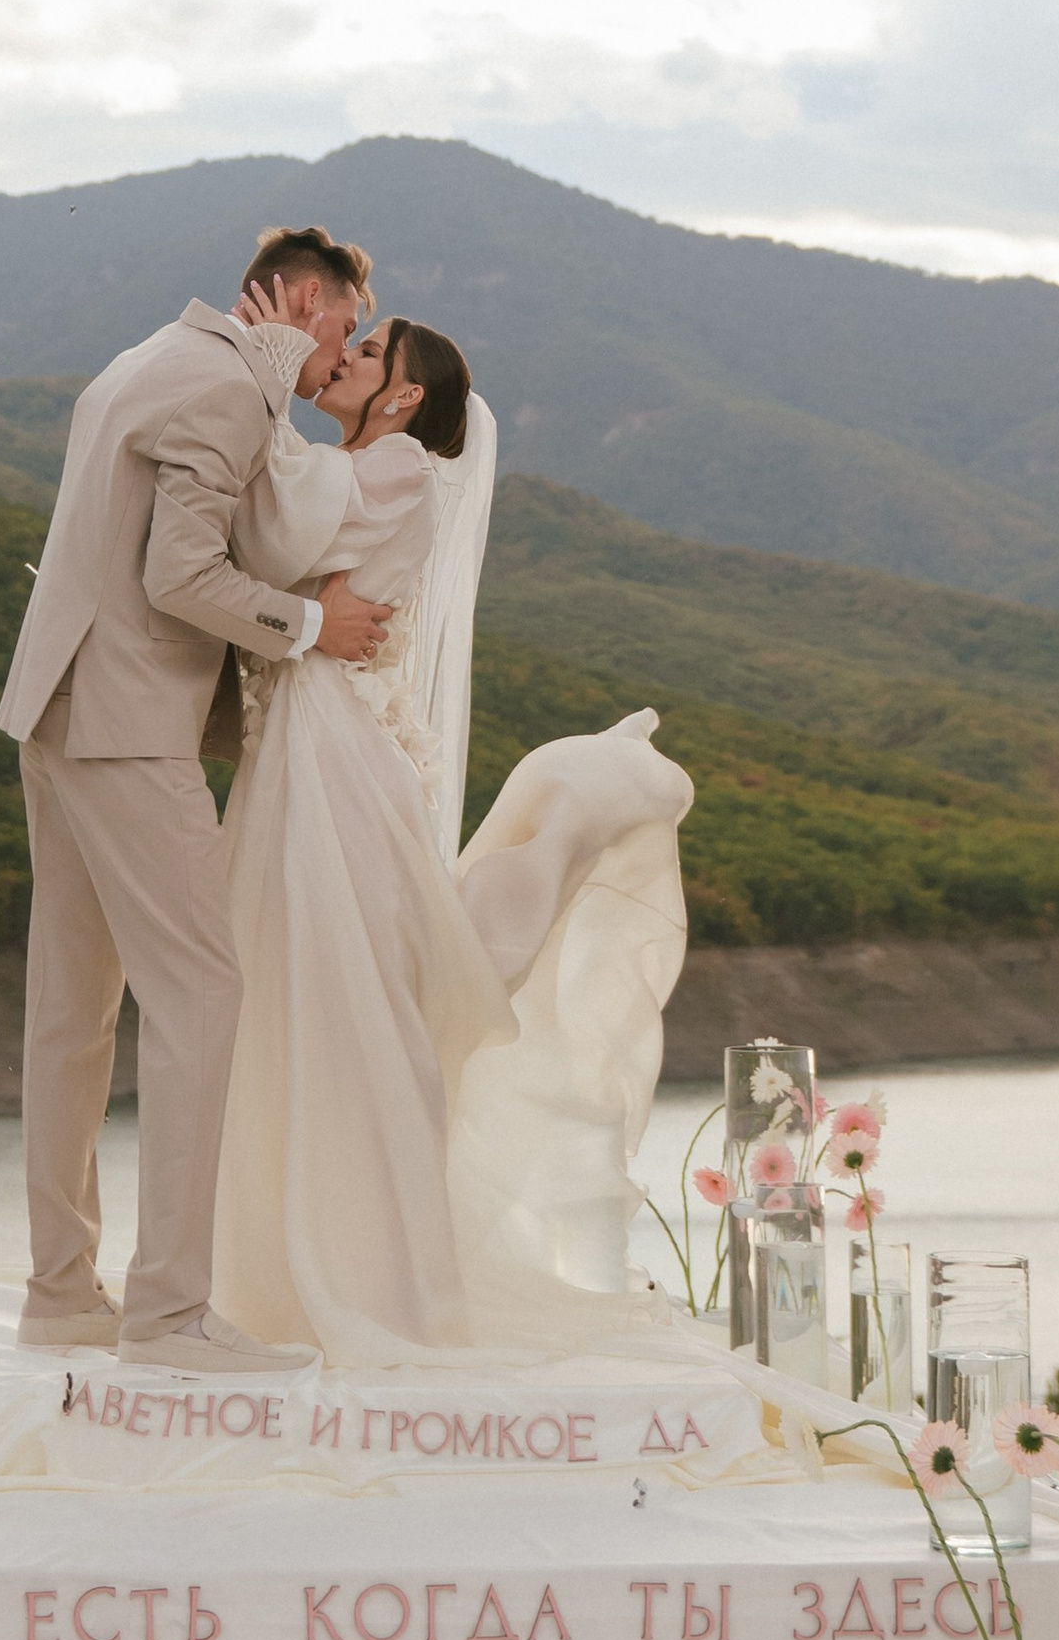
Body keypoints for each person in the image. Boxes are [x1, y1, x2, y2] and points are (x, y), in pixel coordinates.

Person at [214, 292, 697, 1367]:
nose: (345, 357)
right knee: (308, 989)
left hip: (328, 747)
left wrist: (254, 370)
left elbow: (270, 521)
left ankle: (340, 1274)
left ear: (406, 394)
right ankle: (293, 1265)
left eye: (369, 350)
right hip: (314, 733)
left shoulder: (389, 471)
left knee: (331, 994)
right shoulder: (363, 467)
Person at [0, 226, 393, 1369]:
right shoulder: (226, 384)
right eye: (347, 331)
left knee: (69, 1013)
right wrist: (313, 624)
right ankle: (168, 1314)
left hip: (58, 709)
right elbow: (178, 573)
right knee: (200, 996)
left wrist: (271, 395)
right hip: (126, 722)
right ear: (308, 301)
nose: (341, 359)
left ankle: (62, 1294)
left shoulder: (148, 357)